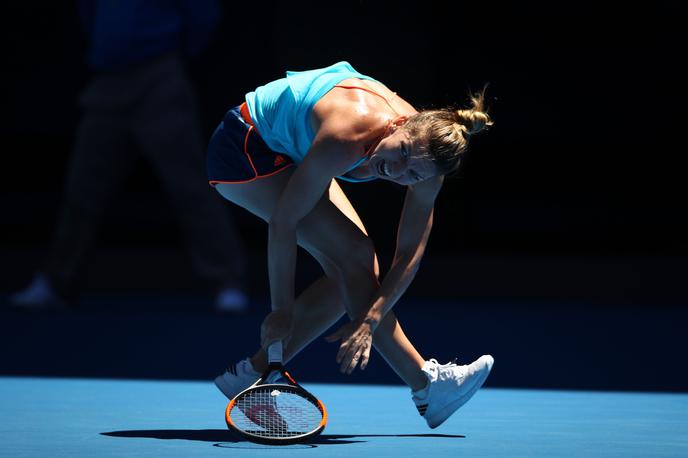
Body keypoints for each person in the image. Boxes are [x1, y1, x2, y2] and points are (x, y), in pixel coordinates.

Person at [210, 61, 494, 428]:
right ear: (400, 124)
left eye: (412, 174)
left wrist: (370, 320)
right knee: (354, 257)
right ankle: (426, 385)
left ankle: (253, 376)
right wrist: (281, 308)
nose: (397, 170)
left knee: (357, 267)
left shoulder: (428, 167)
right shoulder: (346, 135)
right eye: (402, 152)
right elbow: (284, 222)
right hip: (245, 148)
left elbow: (410, 254)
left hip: (294, 150)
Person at [10, 0, 248, 312]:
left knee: (189, 184)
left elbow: (202, 14)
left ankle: (227, 280)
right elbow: (88, 13)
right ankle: (56, 279)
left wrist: (173, 55)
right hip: (107, 78)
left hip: (159, 75)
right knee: (82, 187)